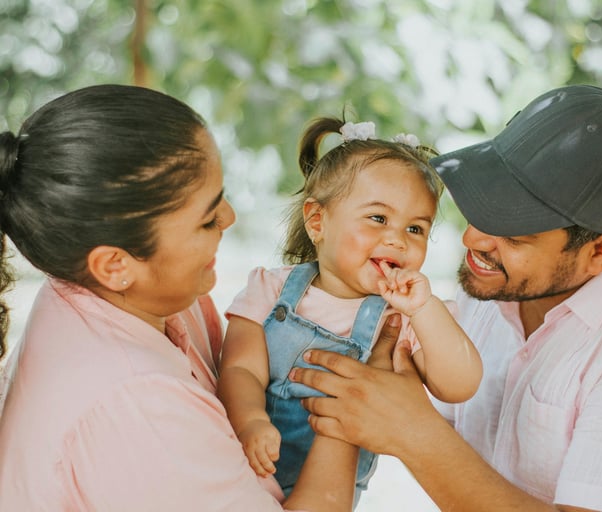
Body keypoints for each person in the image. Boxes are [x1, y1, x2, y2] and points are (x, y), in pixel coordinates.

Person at [290, 84, 602, 511]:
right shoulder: (502, 275)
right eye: (482, 208)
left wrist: (415, 435)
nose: (472, 238)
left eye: (511, 233)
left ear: (601, 253)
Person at [0, 84, 364, 511]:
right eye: (208, 219)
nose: (229, 217)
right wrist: (349, 406)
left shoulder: (136, 292)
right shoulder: (138, 402)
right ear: (115, 265)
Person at [216, 117, 483, 501]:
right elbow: (240, 367)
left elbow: (459, 386)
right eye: (378, 218)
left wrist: (425, 310)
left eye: (416, 229)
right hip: (247, 468)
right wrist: (250, 420)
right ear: (317, 221)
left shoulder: (402, 317)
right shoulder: (271, 289)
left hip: (332, 491)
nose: (397, 239)